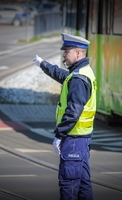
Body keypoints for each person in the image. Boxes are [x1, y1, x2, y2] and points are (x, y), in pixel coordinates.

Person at [33, 33, 96, 200]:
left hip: (73, 139)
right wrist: (44, 65)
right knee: (83, 185)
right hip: (81, 139)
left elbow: (73, 111)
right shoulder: (81, 72)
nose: (63, 55)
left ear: (78, 53)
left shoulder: (78, 78)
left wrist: (59, 135)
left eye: (66, 51)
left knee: (69, 186)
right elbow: (64, 76)